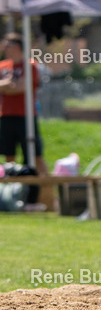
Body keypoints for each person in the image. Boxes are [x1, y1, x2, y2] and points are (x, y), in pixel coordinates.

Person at [0, 33, 49, 208]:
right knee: (9, 158)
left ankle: (44, 197)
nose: (4, 47)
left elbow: (22, 87)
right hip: (6, 115)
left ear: (17, 46)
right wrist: (8, 85)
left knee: (34, 156)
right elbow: (12, 87)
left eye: (8, 44)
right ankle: (9, 198)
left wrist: (6, 86)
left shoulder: (30, 65)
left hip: (26, 117)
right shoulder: (3, 65)